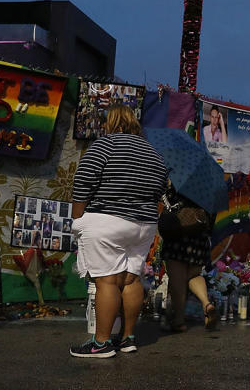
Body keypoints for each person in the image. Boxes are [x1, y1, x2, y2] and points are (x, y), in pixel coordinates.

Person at [69, 105, 168, 358]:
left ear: (110, 123)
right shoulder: (153, 153)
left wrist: (77, 217)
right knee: (131, 279)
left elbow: (83, 181)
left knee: (107, 280)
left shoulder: (105, 145)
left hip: (107, 221)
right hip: (143, 225)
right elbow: (160, 190)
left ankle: (101, 344)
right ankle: (128, 338)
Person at [160, 182, 218, 333]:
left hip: (178, 233)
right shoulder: (208, 184)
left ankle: (179, 321)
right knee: (193, 274)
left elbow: (167, 202)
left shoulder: (178, 182)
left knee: (177, 278)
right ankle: (206, 304)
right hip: (198, 235)